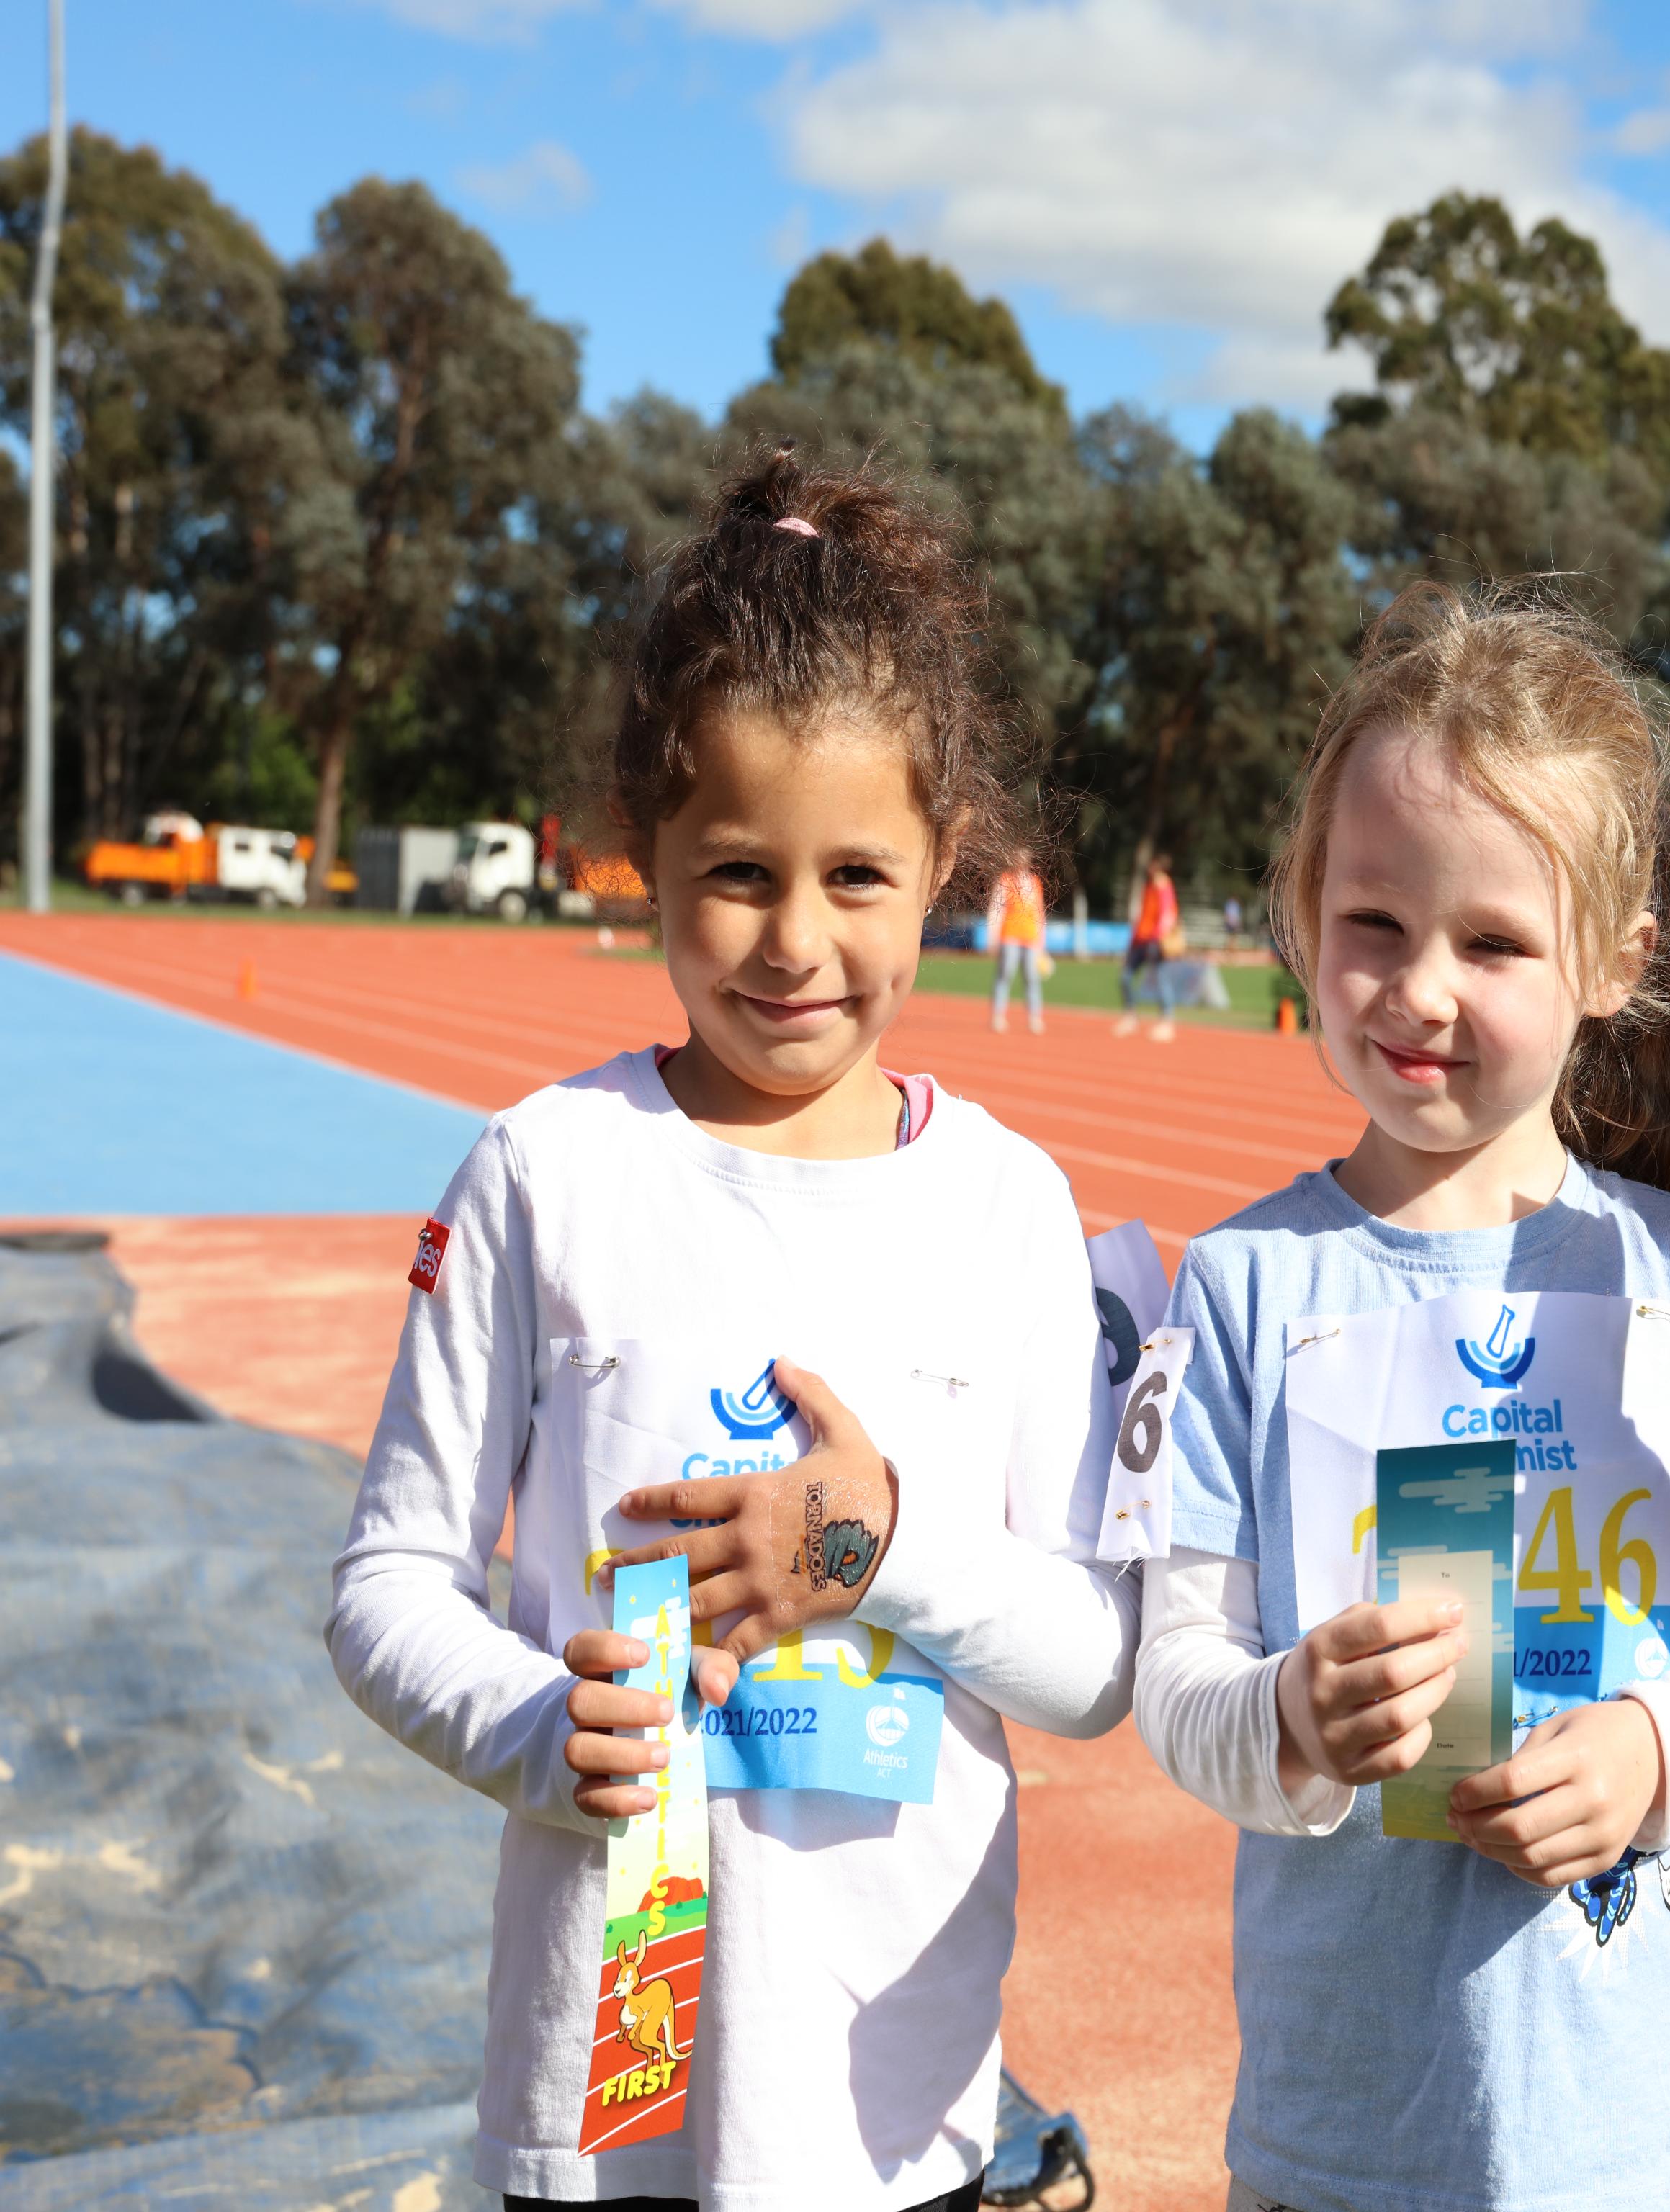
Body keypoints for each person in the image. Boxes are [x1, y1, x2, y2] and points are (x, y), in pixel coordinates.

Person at [326, 451, 1139, 2212]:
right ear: (649, 850)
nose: (794, 941)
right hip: (607, 2101)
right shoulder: (546, 1170)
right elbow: (387, 1581)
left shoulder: (1004, 1204)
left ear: (944, 862)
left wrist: (877, 1549)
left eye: (856, 874)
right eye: (737, 872)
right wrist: (541, 1725)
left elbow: (1096, 1658)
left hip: (892, 2111)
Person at [1133, 585, 1670, 2212]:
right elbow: (1176, 1673)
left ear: (1612, 961)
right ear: (1304, 909)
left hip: (1627, 2139)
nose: (1421, 988)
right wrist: (1290, 1716)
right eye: (1375, 922)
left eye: (1495, 941)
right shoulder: (1240, 1285)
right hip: (1339, 2140)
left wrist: (1652, 1751)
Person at [1115, 850, 1184, 1041]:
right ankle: (1131, 1016)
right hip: (1141, 940)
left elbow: (1168, 916)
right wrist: (1134, 941)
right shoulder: (1149, 886)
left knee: (1161, 979)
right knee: (1125, 977)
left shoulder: (1164, 887)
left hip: (1155, 941)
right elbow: (1144, 916)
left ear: (1158, 866)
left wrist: (1158, 938)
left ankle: (1167, 1021)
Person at [985, 860, 1046, 1033]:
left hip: (1030, 937)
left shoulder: (1035, 883)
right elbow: (996, 910)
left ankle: (1035, 1018)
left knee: (1032, 978)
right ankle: (998, 1016)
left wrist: (1041, 941)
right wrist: (993, 937)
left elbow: (1040, 912)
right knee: (1005, 974)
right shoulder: (1005, 880)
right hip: (1010, 935)